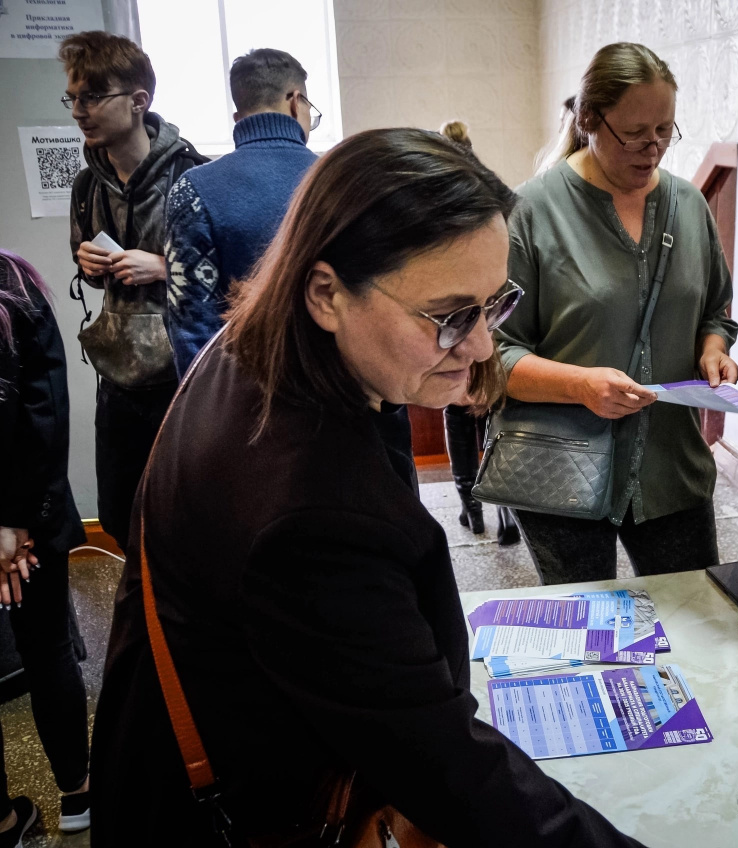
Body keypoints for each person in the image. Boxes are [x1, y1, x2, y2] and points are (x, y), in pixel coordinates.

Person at [88, 128, 646, 848]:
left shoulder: (253, 348)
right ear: (327, 293)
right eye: (450, 316)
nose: (482, 345)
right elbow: (449, 770)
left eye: (494, 304)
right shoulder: (309, 515)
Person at [496, 42, 738, 585]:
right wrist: (580, 386)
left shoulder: (689, 205)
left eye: (665, 131)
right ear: (588, 119)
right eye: (634, 133)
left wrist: (713, 349)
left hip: (671, 468)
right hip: (562, 471)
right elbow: (494, 356)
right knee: (589, 626)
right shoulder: (531, 212)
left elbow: (715, 313)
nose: (653, 149)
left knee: (695, 615)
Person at [60, 31, 207, 553]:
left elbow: (230, 277)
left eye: (93, 96)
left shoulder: (193, 176)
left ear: (139, 100)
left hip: (183, 376)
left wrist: (165, 267)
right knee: (121, 513)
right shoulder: (86, 186)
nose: (80, 111)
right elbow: (87, 269)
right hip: (119, 376)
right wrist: (87, 264)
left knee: (191, 512)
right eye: (73, 98)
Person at [0, 251, 92, 845]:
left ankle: (4, 822)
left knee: (47, 649)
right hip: (29, 520)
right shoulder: (14, 285)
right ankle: (78, 795)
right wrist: (16, 524)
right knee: (47, 648)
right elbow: (46, 412)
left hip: (24, 521)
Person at [165, 47, 318, 376]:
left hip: (243, 390)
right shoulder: (341, 179)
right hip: (335, 391)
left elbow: (191, 329)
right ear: (296, 102)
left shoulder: (193, 190)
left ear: (238, 118)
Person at [438, 119, 519, 545]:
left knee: (456, 410)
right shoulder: (493, 194)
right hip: (495, 320)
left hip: (452, 324)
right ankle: (505, 511)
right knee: (493, 414)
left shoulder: (437, 194)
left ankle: (471, 510)